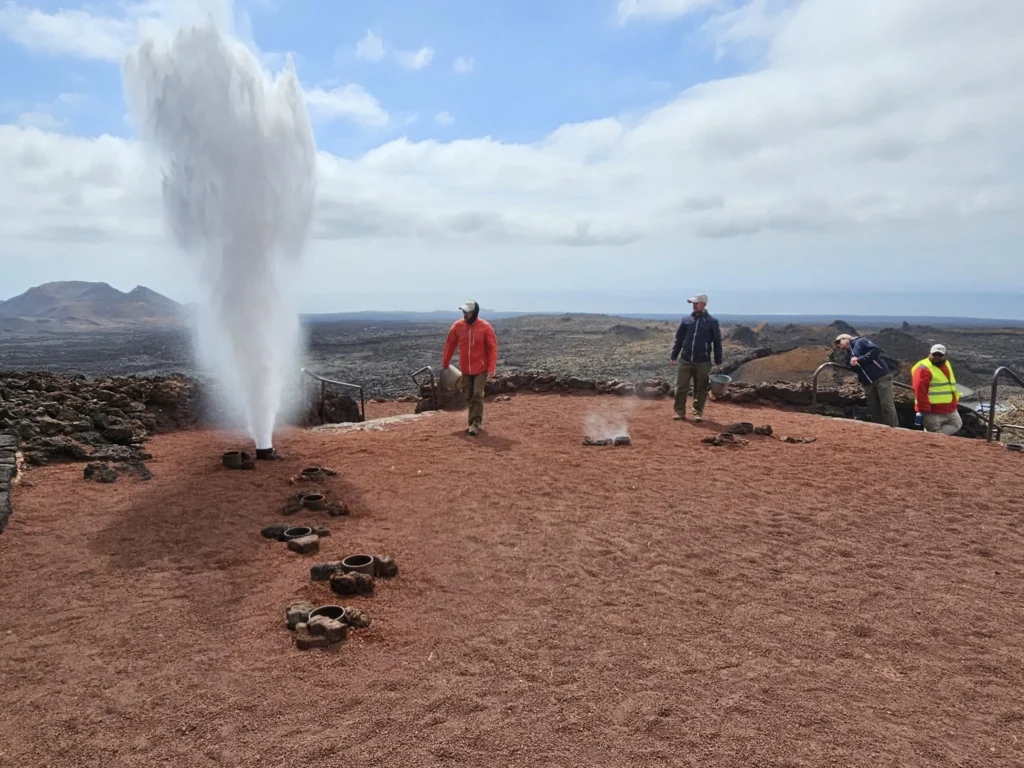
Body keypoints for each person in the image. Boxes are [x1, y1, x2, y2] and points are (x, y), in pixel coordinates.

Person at [442, 300, 498, 436]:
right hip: (465, 369)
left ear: (475, 312)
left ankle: (475, 423)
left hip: (481, 368)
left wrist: (491, 368)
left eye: (468, 312)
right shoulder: (457, 326)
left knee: (477, 394)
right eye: (464, 311)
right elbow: (450, 345)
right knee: (468, 395)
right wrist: (445, 363)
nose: (465, 314)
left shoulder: (485, 327)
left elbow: (492, 348)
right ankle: (473, 421)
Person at [670, 293, 723, 423]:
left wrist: (719, 361)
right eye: (693, 303)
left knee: (701, 388)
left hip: (703, 361)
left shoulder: (712, 322)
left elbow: (717, 342)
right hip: (685, 359)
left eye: (696, 303)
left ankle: (698, 412)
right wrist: (674, 355)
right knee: (681, 386)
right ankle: (679, 412)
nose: (693, 305)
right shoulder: (686, 320)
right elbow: (679, 339)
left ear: (703, 304)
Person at [834, 333, 899, 427]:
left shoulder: (860, 341)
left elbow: (875, 350)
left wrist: (860, 359)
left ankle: (893, 427)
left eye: (839, 342)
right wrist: (852, 364)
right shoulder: (848, 354)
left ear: (846, 339)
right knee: (873, 406)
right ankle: (879, 427)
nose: (839, 345)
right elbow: (850, 367)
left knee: (886, 404)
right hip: (867, 382)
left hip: (881, 376)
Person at [912, 344, 962, 435]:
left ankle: (931, 437)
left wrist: (954, 401)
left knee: (956, 424)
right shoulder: (923, 368)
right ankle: (930, 440)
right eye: (934, 354)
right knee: (934, 433)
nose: (937, 357)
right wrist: (924, 409)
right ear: (930, 354)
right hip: (932, 410)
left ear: (945, 356)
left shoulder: (946, 364)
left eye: (940, 355)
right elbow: (919, 391)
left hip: (949, 408)